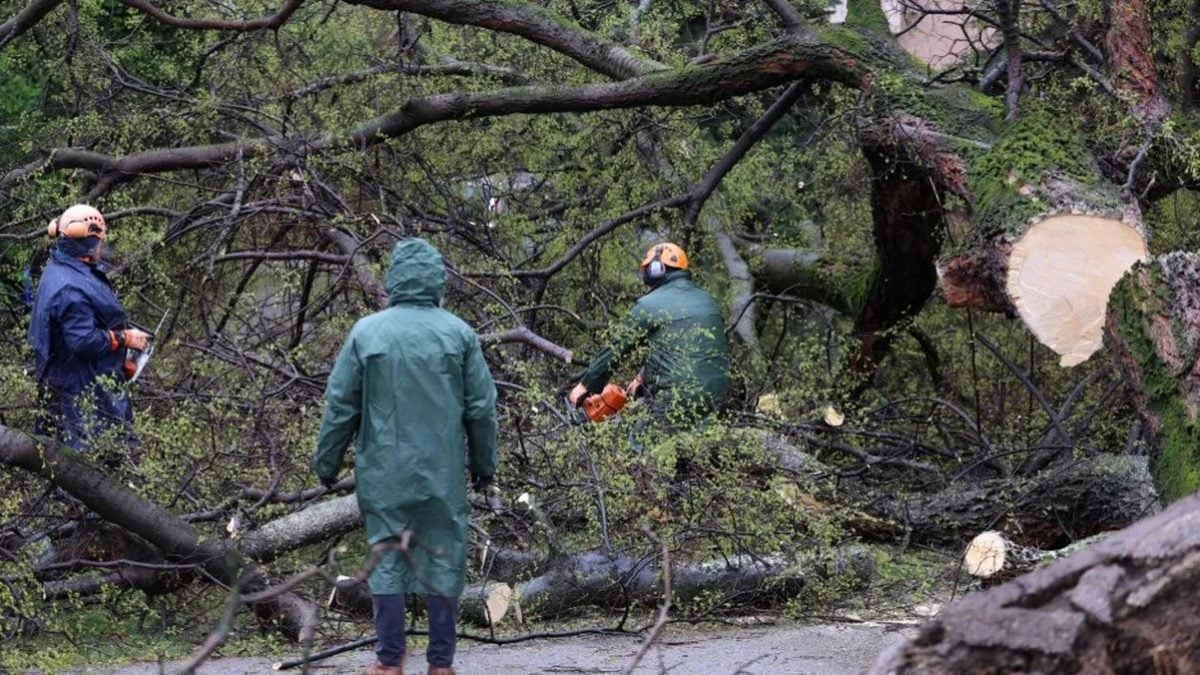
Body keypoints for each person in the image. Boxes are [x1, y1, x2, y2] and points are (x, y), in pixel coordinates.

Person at [313, 238, 498, 675]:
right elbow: (482, 409)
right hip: (442, 472)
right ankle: (441, 665)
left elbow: (341, 407)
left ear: (395, 278)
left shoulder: (367, 332)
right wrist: (484, 468)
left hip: (384, 472)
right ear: (437, 280)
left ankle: (389, 661)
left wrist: (326, 464)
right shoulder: (459, 333)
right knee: (444, 554)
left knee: (387, 554)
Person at [28, 204, 150, 454]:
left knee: (63, 456)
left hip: (69, 378)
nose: (100, 247)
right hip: (80, 389)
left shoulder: (63, 267)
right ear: (86, 240)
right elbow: (83, 341)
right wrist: (124, 338)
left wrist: (118, 360)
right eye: (97, 241)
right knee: (93, 458)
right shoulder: (70, 289)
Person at [570, 242, 731, 430]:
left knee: (640, 441)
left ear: (656, 270)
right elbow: (684, 348)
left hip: (678, 398)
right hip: (719, 396)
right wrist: (643, 376)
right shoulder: (708, 300)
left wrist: (586, 385)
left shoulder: (649, 305)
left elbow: (615, 350)